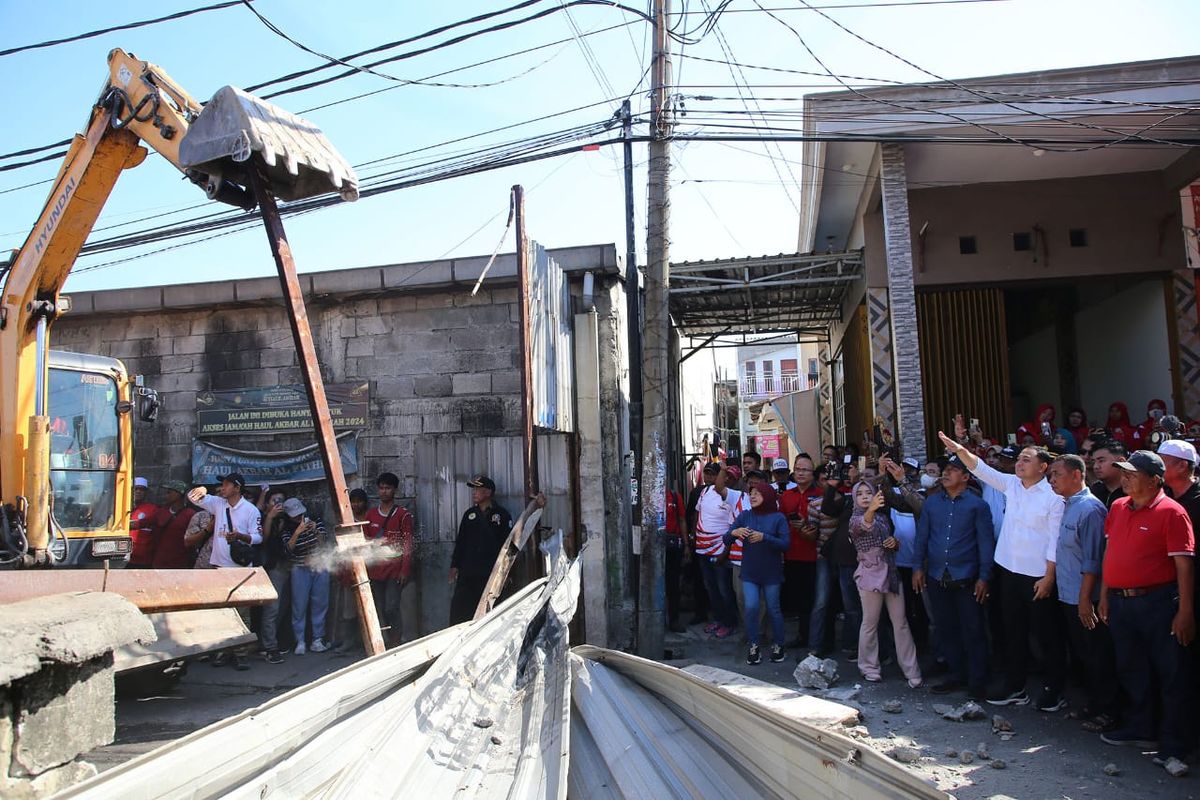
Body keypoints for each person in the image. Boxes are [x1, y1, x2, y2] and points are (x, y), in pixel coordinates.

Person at [937, 433, 1065, 709]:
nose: (1020, 463)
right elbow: (981, 469)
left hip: (1037, 577)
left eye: (1027, 459)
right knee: (1012, 632)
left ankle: (1054, 690)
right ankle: (1015, 686)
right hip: (1008, 571)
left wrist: (1049, 577)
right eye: (1019, 459)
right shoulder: (1012, 485)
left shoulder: (1053, 497)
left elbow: (1055, 541)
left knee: (1046, 635)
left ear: (1043, 467)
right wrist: (960, 450)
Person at [1098, 451, 1195, 775]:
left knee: (1171, 674)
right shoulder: (1117, 506)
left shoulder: (1172, 512)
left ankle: (1174, 744)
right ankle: (1140, 727)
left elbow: (1184, 566)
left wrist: (1185, 611)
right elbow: (1110, 552)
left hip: (1157, 603)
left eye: (1132, 474)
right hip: (1121, 602)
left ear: (1154, 480)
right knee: (1131, 667)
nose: (1125, 478)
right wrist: (1105, 594)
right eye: (1123, 472)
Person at [1047, 454, 1120, 733]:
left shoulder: (1090, 510)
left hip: (1086, 598)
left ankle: (1109, 710)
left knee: (1098, 655)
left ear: (1077, 475)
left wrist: (1084, 599)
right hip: (1068, 595)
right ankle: (1094, 703)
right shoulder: (1068, 505)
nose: (1052, 480)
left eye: (1057, 474)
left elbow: (1093, 561)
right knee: (1084, 655)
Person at [913, 456, 993, 699]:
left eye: (952, 470)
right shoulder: (932, 503)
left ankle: (977, 681)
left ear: (966, 477)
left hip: (967, 577)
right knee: (946, 629)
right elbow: (922, 537)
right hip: (937, 575)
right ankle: (957, 675)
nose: (946, 474)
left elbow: (985, 543)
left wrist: (984, 577)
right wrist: (917, 567)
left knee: (973, 630)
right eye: (945, 470)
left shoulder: (977, 506)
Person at [848, 480, 922, 687]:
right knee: (870, 622)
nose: (864, 496)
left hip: (891, 572)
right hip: (869, 574)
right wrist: (871, 509)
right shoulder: (854, 518)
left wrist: (894, 543)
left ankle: (911, 669)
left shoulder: (883, 517)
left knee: (901, 622)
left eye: (868, 492)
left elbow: (889, 538)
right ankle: (868, 667)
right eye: (860, 493)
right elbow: (862, 526)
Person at [187, 474, 263, 670]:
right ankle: (222, 651)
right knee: (222, 612)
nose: (223, 487)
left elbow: (258, 537)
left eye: (227, 484)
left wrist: (240, 536)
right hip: (219, 567)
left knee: (242, 613)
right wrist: (202, 490)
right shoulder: (218, 504)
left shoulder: (250, 510)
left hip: (240, 569)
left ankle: (241, 654)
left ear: (237, 488)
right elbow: (193, 497)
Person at [725, 483, 790, 665]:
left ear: (768, 496)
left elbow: (786, 544)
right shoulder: (745, 516)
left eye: (758, 494)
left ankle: (779, 644)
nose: (752, 497)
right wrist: (734, 532)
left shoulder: (778, 518)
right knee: (751, 607)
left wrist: (764, 537)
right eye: (751, 493)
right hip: (750, 572)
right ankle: (754, 645)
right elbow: (726, 539)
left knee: (773, 609)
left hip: (771, 572)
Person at [449, 475, 513, 624]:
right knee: (461, 609)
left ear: (488, 492)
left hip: (490, 571)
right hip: (468, 571)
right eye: (474, 490)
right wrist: (455, 565)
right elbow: (461, 542)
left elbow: (508, 545)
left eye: (478, 489)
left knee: (490, 610)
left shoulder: (502, 515)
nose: (474, 493)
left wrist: (507, 571)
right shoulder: (469, 515)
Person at [694, 462, 744, 639]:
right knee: (711, 588)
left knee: (724, 589)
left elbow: (733, 528)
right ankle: (718, 619)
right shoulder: (704, 492)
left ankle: (729, 623)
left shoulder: (733, 497)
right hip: (702, 550)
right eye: (724, 475)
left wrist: (725, 552)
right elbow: (697, 514)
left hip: (721, 551)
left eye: (730, 477)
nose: (726, 478)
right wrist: (695, 538)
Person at [366, 472, 415, 647]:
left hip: (395, 572)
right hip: (375, 570)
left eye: (388, 488)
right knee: (380, 608)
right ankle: (384, 642)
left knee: (391, 607)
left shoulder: (403, 515)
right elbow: (364, 540)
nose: (384, 491)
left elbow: (408, 544)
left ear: (395, 490)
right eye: (381, 488)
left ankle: (396, 641)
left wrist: (404, 570)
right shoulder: (370, 515)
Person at [780, 454, 822, 648]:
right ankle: (802, 636)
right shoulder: (786, 496)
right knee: (797, 600)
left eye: (805, 470)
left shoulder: (821, 494)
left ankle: (814, 640)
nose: (801, 473)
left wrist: (807, 527)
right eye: (797, 469)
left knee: (814, 600)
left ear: (812, 473)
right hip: (791, 554)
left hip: (814, 555)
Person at [281, 498, 330, 655]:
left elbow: (324, 544)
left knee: (320, 604)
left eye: (300, 514)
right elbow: (288, 551)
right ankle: (300, 641)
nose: (298, 517)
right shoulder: (287, 529)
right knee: (299, 606)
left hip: (319, 566)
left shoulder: (316, 521)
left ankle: (317, 639)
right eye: (295, 516)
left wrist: (315, 530)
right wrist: (297, 532)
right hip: (300, 569)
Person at [259, 488, 292, 664]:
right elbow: (263, 540)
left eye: (281, 501)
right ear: (267, 504)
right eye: (274, 501)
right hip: (272, 567)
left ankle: (275, 641)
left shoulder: (287, 519)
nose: (278, 504)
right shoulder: (262, 518)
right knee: (272, 609)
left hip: (286, 566)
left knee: (283, 607)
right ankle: (269, 647)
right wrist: (270, 517)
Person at [150, 481, 196, 570]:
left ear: (179, 494)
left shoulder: (190, 514)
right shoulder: (161, 512)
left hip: (179, 565)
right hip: (159, 563)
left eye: (169, 492)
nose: (166, 496)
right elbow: (143, 522)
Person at [664, 483, 689, 633]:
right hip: (652, 546)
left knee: (673, 585)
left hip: (672, 546)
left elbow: (682, 519)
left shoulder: (674, 496)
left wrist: (686, 545)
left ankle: (674, 620)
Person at [129, 476, 159, 568]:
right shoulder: (121, 508)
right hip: (123, 556)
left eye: (142, 489)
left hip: (143, 559)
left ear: (146, 492)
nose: (138, 491)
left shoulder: (153, 509)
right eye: (135, 489)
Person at [1091, 441, 1128, 509]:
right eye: (1093, 462)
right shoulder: (1094, 491)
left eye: (1101, 461)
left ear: (1121, 462)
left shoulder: (1134, 492)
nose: (1095, 466)